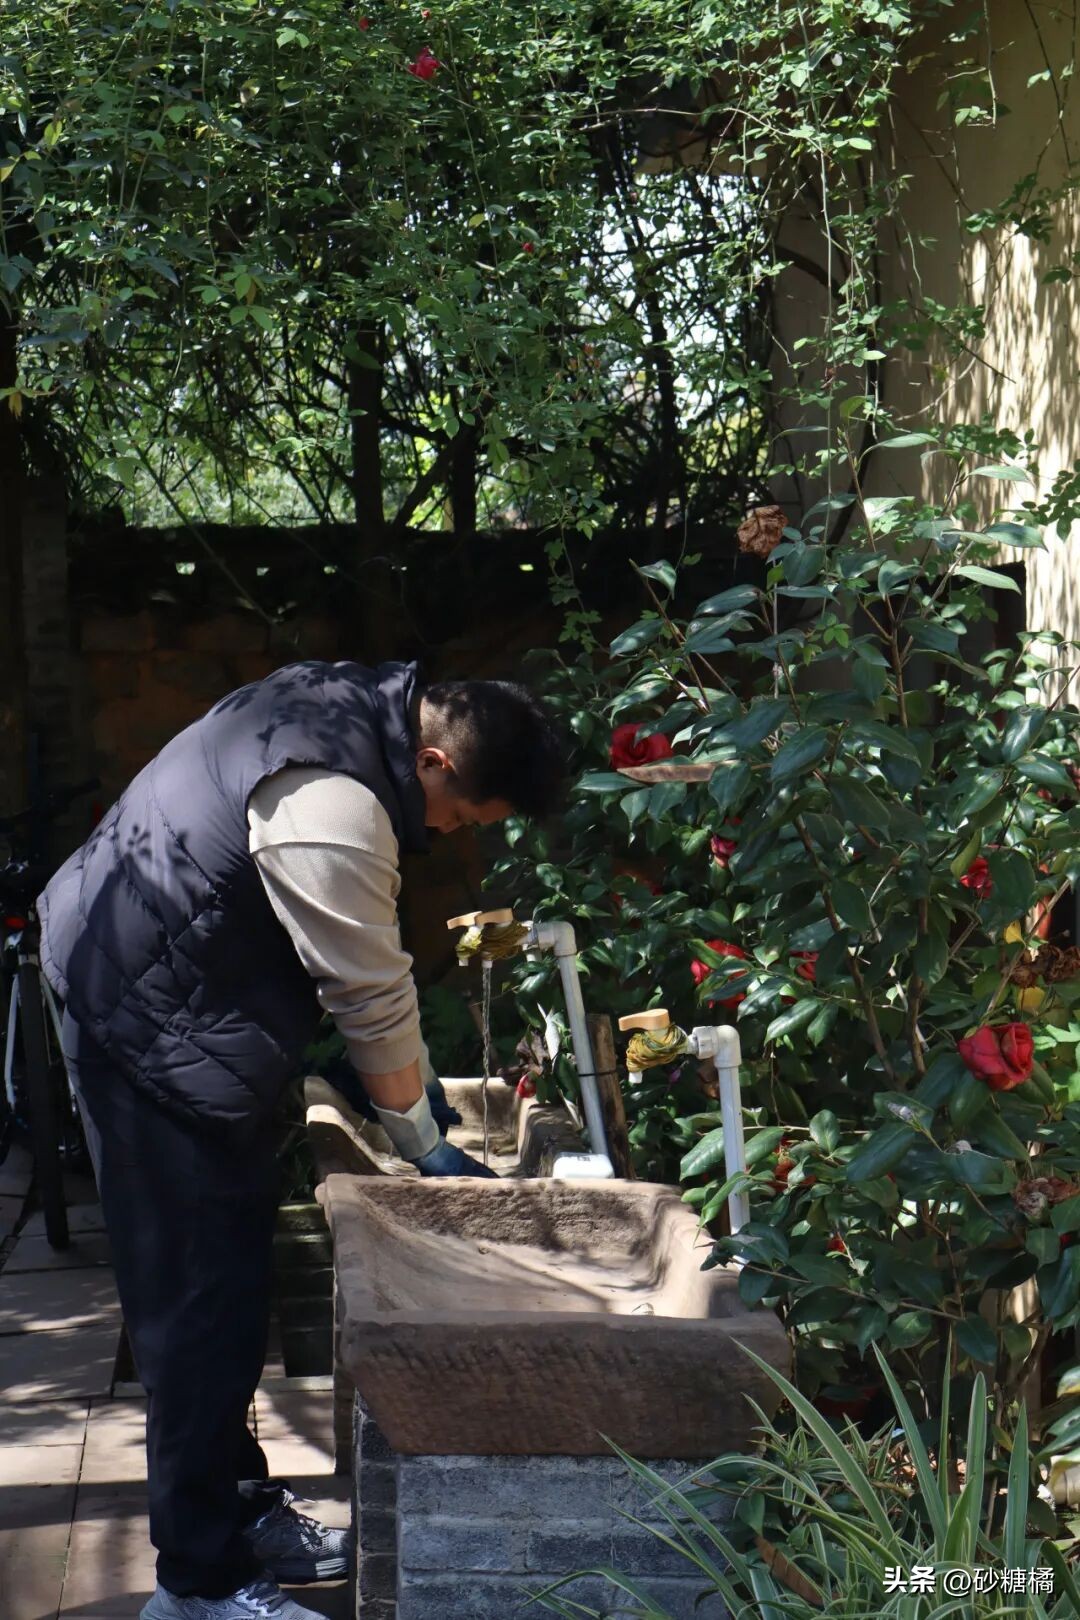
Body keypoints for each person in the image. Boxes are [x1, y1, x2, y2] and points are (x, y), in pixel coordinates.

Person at [37, 659, 564, 1620]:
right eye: (460, 817)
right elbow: (367, 987)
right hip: (141, 1018)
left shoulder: (348, 704)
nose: (446, 837)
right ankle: (197, 1582)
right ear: (436, 759)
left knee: (232, 1275)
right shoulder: (331, 800)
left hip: (186, 1004)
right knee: (192, 1303)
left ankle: (234, 1503)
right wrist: (420, 1139)